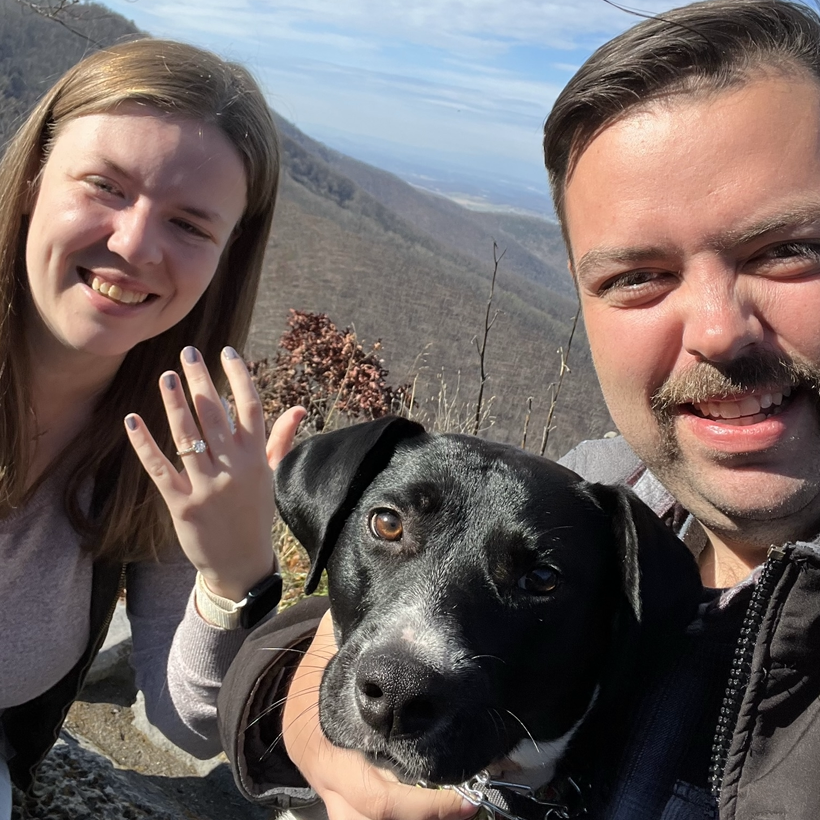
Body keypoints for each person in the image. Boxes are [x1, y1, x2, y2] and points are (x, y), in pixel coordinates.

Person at [217, 0, 820, 818]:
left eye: (790, 250)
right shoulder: (602, 492)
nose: (717, 332)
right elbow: (292, 654)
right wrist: (310, 710)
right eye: (635, 276)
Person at [0, 37, 306, 817]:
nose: (135, 246)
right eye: (105, 185)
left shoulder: (177, 453)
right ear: (35, 175)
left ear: (226, 257)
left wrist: (233, 576)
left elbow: (189, 724)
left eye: (190, 225)